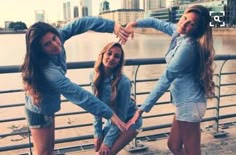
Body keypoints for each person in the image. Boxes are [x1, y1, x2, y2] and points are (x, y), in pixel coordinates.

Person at [21, 17, 129, 155]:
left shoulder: (59, 36)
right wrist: (109, 113)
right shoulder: (47, 69)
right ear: (40, 50)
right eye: (47, 44)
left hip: (48, 106)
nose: (55, 44)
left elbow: (82, 23)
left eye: (54, 38)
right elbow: (77, 94)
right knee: (42, 153)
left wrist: (112, 25)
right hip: (38, 110)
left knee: (49, 150)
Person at [125, 5, 215, 155]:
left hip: (189, 104)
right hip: (185, 103)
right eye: (184, 18)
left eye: (191, 24)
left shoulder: (188, 47)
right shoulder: (179, 33)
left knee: (192, 152)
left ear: (197, 29)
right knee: (173, 145)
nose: (184, 24)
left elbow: (166, 78)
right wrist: (134, 23)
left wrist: (141, 109)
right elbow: (155, 23)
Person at [90, 42, 142, 155]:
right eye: (109, 53)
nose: (112, 58)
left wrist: (107, 142)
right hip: (113, 121)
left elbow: (122, 116)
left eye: (116, 56)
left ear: (119, 61)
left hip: (130, 122)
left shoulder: (124, 82)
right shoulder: (94, 76)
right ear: (102, 54)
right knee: (98, 150)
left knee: (105, 153)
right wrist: (97, 133)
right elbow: (95, 107)